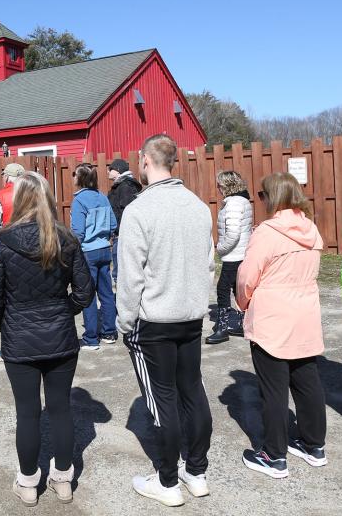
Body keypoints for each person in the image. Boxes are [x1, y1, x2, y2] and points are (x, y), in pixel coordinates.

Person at [0, 172, 93, 506]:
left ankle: (29, 483)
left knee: (27, 413)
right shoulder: (67, 239)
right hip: (59, 337)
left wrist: (7, 324)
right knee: (60, 410)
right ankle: (62, 480)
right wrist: (62, 311)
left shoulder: (3, 241)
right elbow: (85, 294)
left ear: (20, 200)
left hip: (20, 340)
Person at [117, 134, 215, 507]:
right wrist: (198, 301)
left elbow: (130, 275)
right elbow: (208, 264)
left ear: (144, 160)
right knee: (193, 390)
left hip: (155, 319)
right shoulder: (197, 206)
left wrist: (125, 321)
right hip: (190, 314)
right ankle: (198, 471)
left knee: (163, 400)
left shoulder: (139, 210)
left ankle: (168, 480)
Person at [236, 172, 327, 478]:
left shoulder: (267, 233)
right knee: (307, 381)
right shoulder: (311, 229)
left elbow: (247, 277)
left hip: (272, 317)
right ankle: (314, 445)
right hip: (305, 313)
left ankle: (274, 455)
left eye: (261, 195)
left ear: (272, 198)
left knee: (273, 389)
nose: (258, 201)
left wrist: (243, 302)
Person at [70, 162, 118, 350]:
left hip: (87, 252)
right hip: (105, 250)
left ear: (80, 178)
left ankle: (91, 338)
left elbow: (78, 232)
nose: (73, 177)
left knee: (88, 295)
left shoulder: (79, 201)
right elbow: (113, 225)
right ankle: (109, 332)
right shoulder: (103, 197)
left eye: (75, 174)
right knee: (106, 293)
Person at [206, 170, 253, 344]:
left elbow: (233, 234)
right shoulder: (243, 201)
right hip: (243, 252)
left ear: (227, 185)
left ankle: (223, 328)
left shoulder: (233, 204)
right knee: (237, 288)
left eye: (219, 184)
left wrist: (221, 249)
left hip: (233, 254)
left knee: (223, 289)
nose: (218, 188)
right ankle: (243, 323)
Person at [0, 162, 25, 361]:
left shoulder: (0, 196)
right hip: (33, 253)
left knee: (8, 302)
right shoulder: (33, 194)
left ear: (7, 178)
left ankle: (10, 347)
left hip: (7, 254)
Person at [106, 158, 142, 288]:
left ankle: (124, 305)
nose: (108, 171)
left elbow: (128, 212)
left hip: (124, 236)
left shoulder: (126, 186)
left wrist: (121, 232)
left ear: (118, 170)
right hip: (120, 235)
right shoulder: (120, 185)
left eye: (111, 169)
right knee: (119, 273)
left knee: (121, 274)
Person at [0, 162, 26, 246]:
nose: (3, 178)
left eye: (3, 176)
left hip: (10, 246)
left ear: (7, 177)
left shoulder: (0, 197)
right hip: (33, 247)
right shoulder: (35, 193)